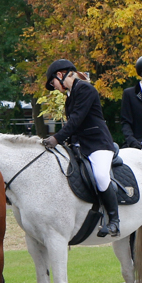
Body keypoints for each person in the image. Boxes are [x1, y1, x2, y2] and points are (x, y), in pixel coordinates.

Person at [41, 59, 121, 237]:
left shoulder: (85, 89)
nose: (53, 87)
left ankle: (114, 220)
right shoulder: (70, 95)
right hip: (79, 145)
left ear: (60, 75)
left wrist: (56, 138)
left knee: (101, 176)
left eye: (52, 83)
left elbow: (76, 120)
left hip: (97, 143)